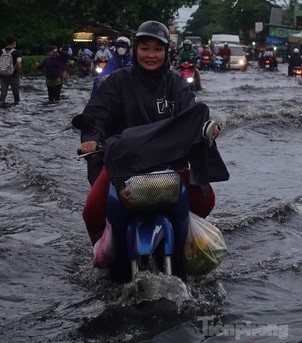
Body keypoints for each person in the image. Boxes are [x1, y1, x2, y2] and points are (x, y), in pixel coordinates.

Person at [78, 20, 229, 250]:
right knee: (92, 211)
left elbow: (191, 113)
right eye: (145, 48)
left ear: (166, 52)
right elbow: (97, 115)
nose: (151, 55)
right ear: (136, 49)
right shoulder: (118, 81)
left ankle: (184, 244)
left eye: (158, 49)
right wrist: (91, 139)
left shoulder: (176, 83)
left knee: (206, 200)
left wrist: (207, 127)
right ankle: (99, 253)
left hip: (169, 164)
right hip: (123, 164)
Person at [0, 36, 22, 105]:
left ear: (6, 43)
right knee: (16, 95)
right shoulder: (17, 53)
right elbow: (19, 66)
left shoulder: (0, 52)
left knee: (3, 94)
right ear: (14, 43)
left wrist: (2, 69)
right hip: (13, 76)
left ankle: (1, 105)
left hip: (2, 75)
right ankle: (16, 108)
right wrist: (18, 73)